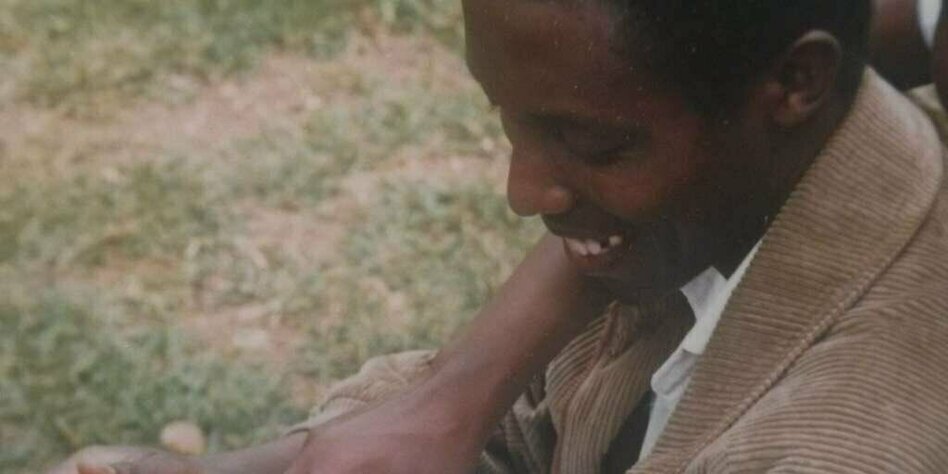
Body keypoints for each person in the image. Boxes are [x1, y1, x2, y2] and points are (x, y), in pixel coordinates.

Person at [53, 0, 948, 472]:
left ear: (795, 85)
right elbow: (524, 430)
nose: (524, 194)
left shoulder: (846, 444)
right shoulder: (732, 190)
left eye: (592, 144)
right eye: (509, 122)